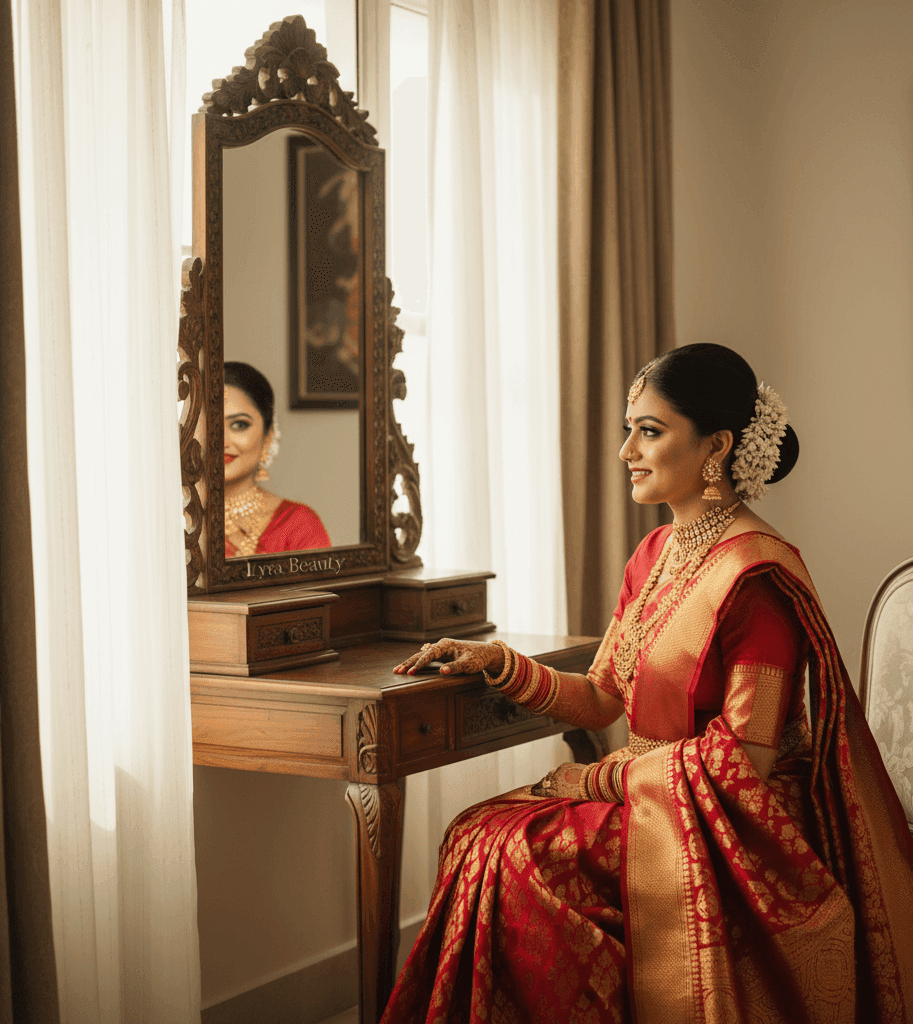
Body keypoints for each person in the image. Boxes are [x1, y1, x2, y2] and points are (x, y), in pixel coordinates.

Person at [382, 344, 913, 1024]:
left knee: (522, 855)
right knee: (475, 832)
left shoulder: (754, 578)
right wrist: (497, 663)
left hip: (736, 817)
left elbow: (744, 760)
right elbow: (602, 694)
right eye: (628, 427)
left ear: (715, 446)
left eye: (650, 430)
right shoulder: (655, 554)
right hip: (657, 792)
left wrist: (594, 780)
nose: (627, 449)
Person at [223, 361, 330, 557]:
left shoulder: (299, 526)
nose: (222, 440)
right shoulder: (166, 519)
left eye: (239, 424)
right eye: (209, 424)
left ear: (268, 436)